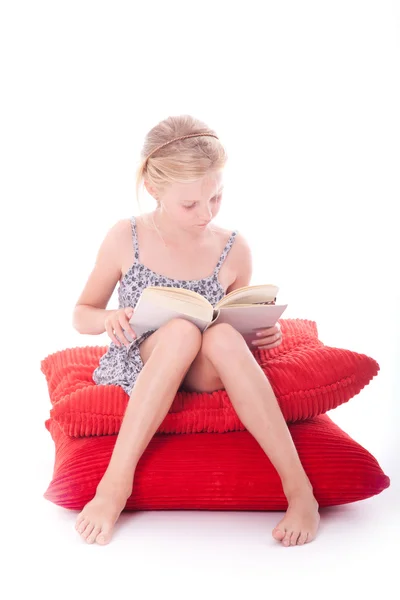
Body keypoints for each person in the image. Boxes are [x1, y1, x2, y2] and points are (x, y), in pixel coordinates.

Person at [72, 114, 320, 547]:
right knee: (181, 333)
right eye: (191, 204)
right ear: (154, 189)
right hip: (144, 358)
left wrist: (262, 332)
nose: (206, 214)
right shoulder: (124, 237)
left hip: (206, 362)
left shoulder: (233, 247)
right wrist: (107, 318)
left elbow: (237, 318)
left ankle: (301, 492)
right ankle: (114, 484)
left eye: (217, 198)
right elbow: (82, 312)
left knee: (219, 336)